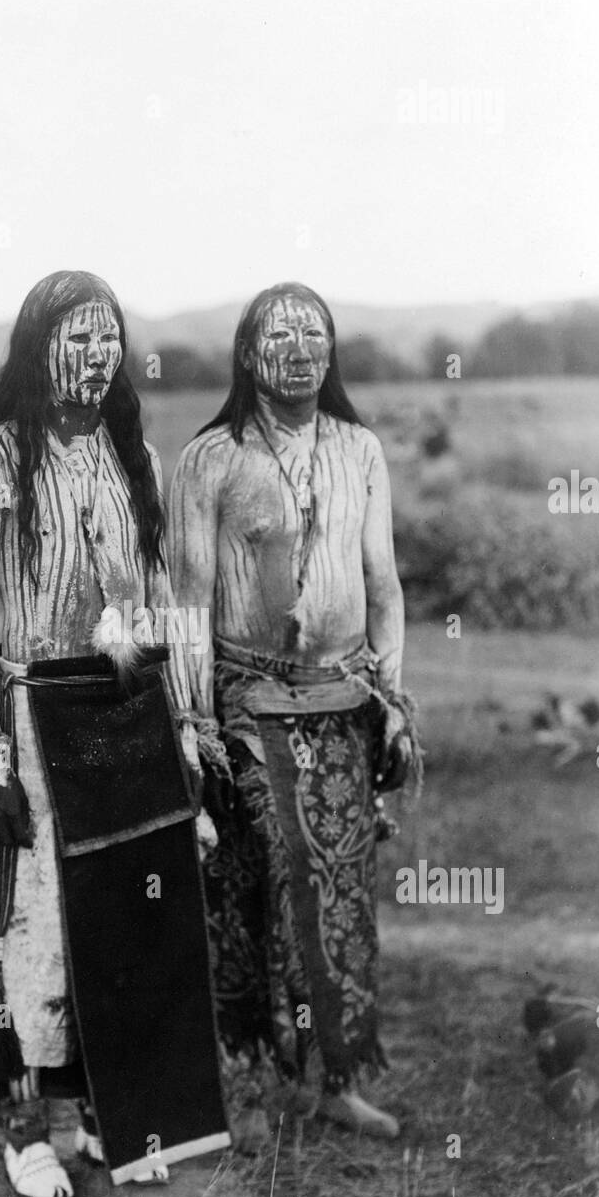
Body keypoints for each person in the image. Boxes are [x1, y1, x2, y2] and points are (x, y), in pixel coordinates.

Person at [0, 270, 229, 1197]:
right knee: (29, 927)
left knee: (115, 916)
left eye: (110, 340)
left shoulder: (121, 449)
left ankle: (103, 1109)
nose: (97, 358)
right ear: (37, 347)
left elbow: (156, 601)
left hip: (120, 710)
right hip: (31, 715)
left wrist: (183, 720)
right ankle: (25, 1126)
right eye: (78, 339)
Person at [168, 282, 420, 1139]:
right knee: (261, 888)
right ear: (248, 355)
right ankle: (249, 1081)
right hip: (248, 706)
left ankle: (333, 1080)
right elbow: (188, 608)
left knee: (342, 894)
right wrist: (193, 728)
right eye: (280, 334)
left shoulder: (360, 450)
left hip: (345, 702)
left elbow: (384, 588)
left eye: (315, 332)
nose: (300, 346)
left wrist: (393, 699)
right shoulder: (210, 460)